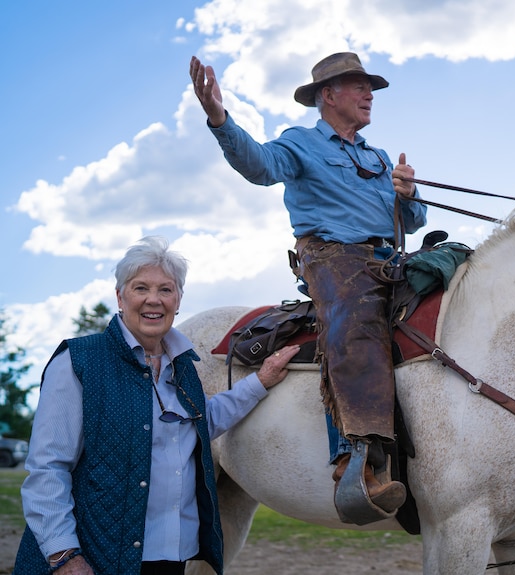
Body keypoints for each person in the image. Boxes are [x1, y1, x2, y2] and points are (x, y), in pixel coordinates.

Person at [189, 51, 427, 523]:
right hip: (332, 258)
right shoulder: (299, 143)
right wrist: (219, 118)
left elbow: (412, 223)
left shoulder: (377, 157)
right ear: (328, 95)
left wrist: (408, 195)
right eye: (358, 86)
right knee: (356, 317)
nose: (368, 95)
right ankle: (355, 458)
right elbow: (258, 165)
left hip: (386, 258)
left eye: (370, 88)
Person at [14, 236, 300, 575]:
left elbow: (201, 421)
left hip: (172, 556)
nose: (154, 300)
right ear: (120, 297)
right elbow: (48, 467)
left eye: (166, 290)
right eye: (140, 288)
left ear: (178, 300)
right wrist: (63, 555)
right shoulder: (79, 361)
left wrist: (260, 381)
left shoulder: (182, 366)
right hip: (95, 558)